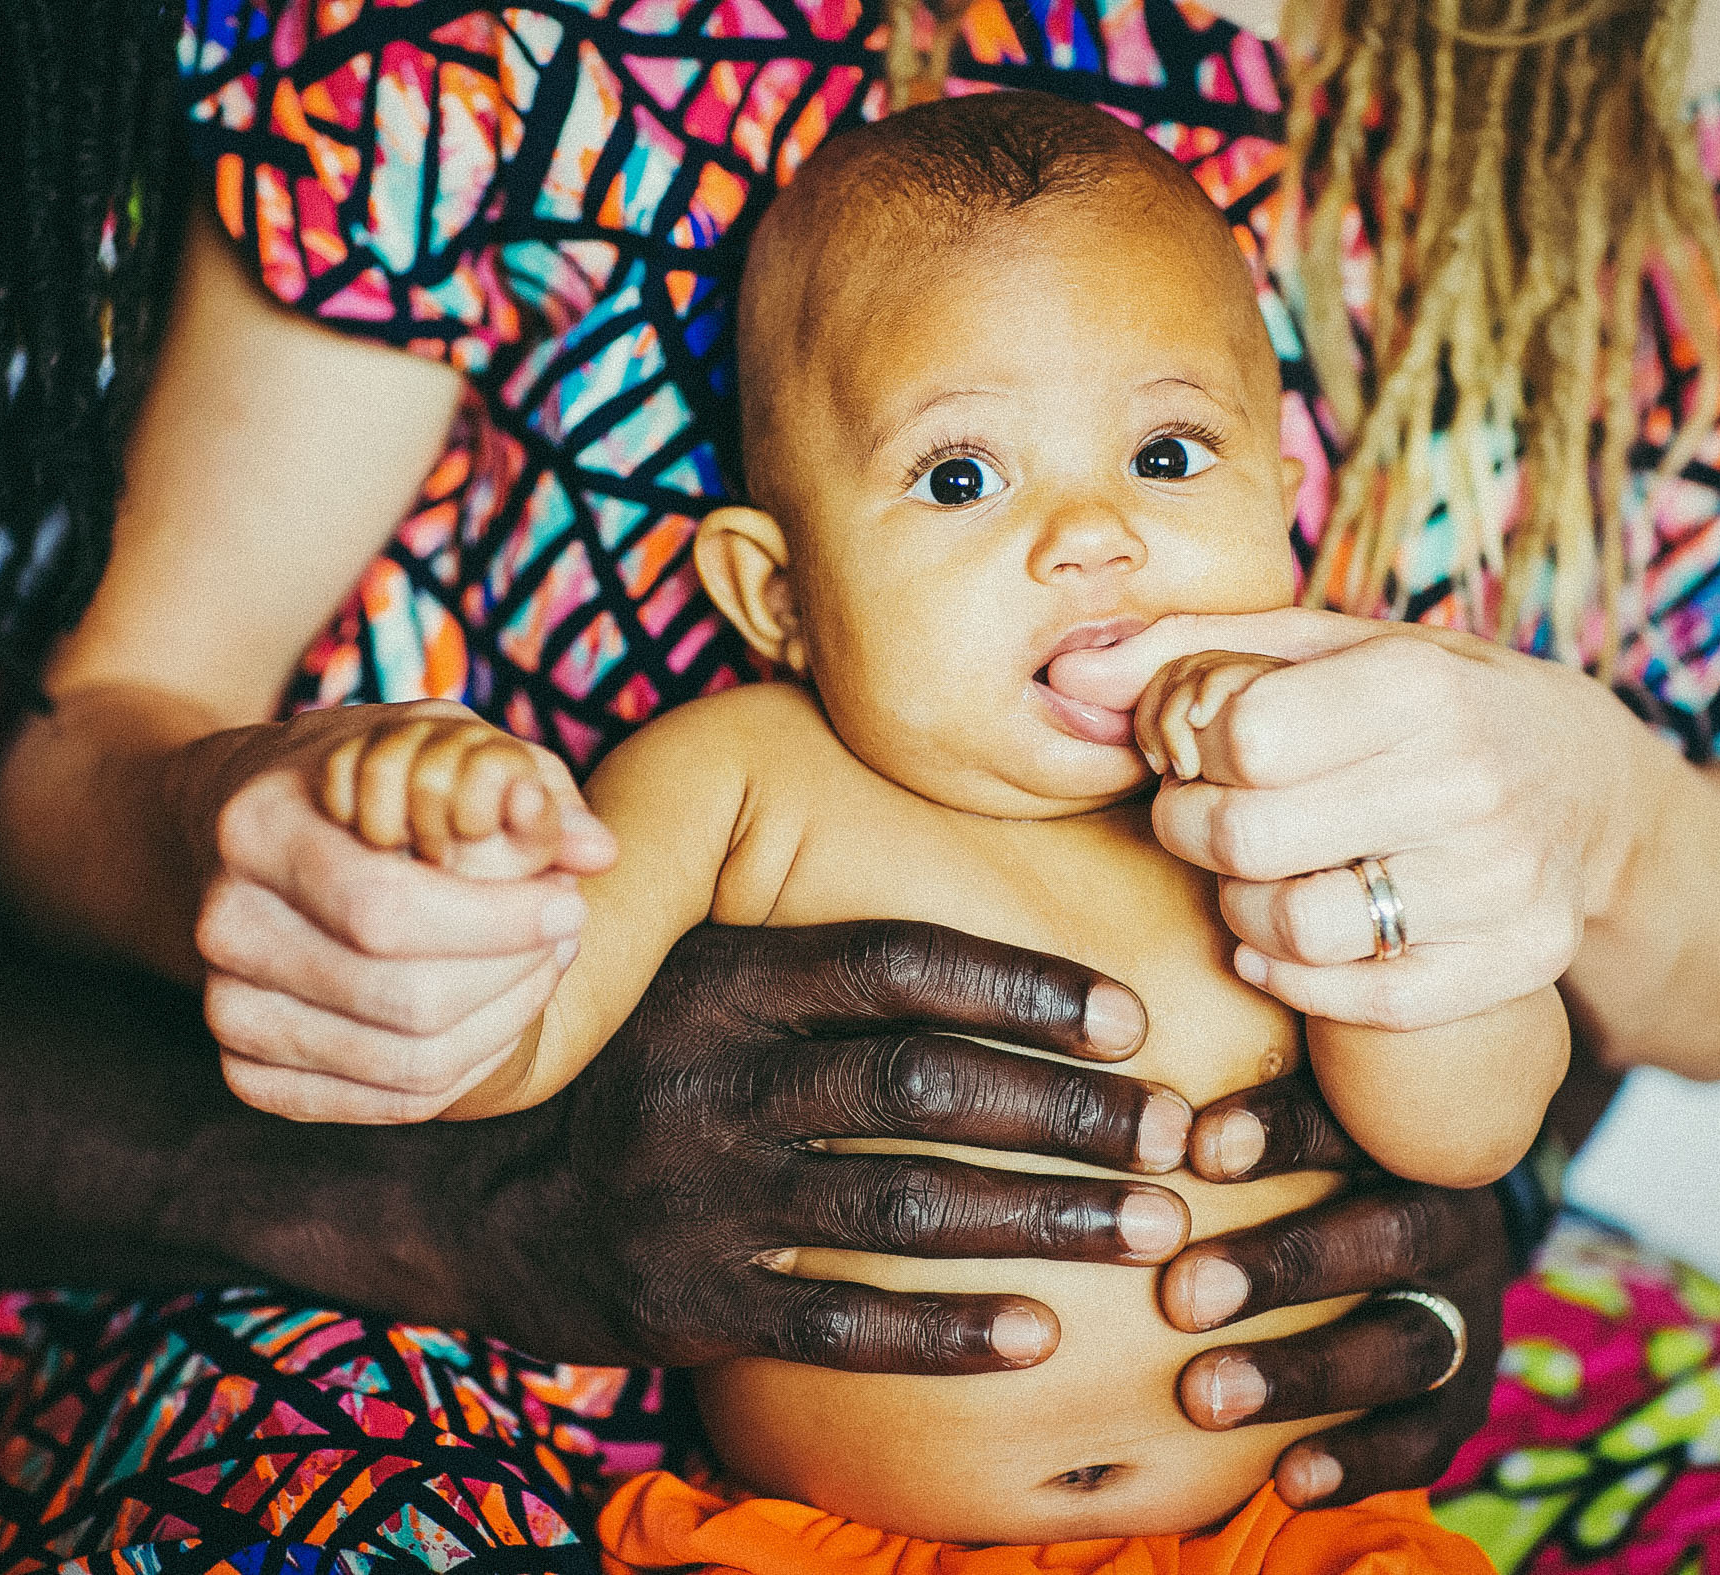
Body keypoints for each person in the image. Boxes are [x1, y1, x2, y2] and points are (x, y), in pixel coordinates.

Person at [304, 90, 1559, 1565]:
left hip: (1276, 1540)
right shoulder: (737, 774)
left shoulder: (1318, 778)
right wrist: (454, 851)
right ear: (774, 594)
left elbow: (1465, 1130)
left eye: (1165, 456)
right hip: (825, 1541)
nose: (1092, 535)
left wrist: (1346, 853)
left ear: (1285, 504)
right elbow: (500, 1068)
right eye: (961, 477)